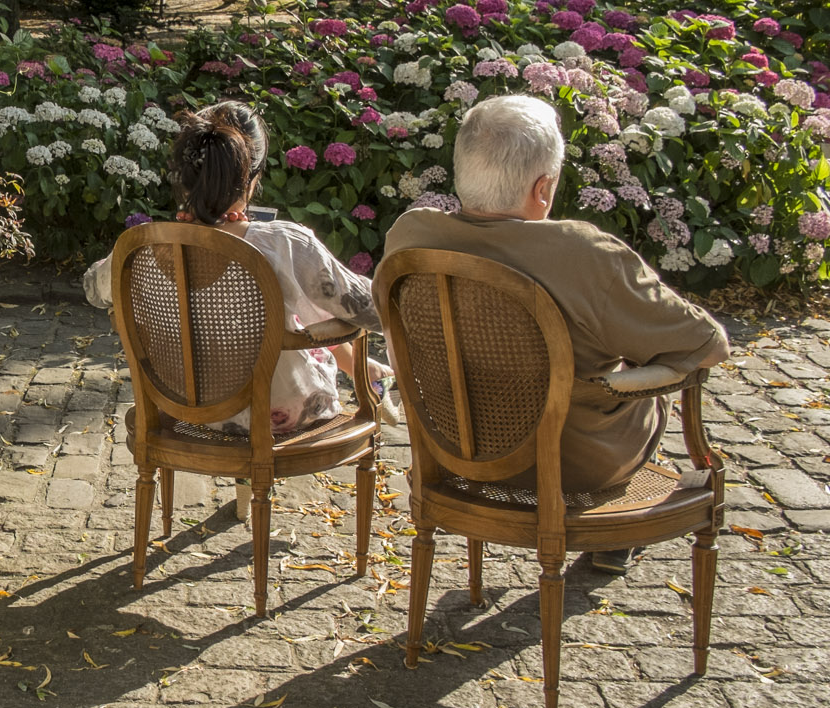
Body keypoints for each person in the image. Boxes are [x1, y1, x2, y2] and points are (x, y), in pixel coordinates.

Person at [382, 94, 729, 574]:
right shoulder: (584, 252)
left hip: (458, 447)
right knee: (648, 374)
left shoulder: (411, 235)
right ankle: (613, 536)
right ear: (543, 187)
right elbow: (707, 345)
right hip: (575, 462)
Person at [116, 101, 391, 436]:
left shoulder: (138, 249)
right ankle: (369, 372)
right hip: (276, 414)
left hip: (181, 409)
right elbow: (375, 310)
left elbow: (94, 286)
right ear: (251, 176)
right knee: (303, 303)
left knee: (294, 305)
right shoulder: (284, 244)